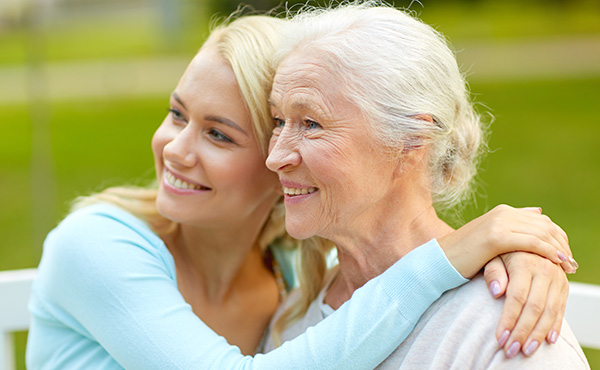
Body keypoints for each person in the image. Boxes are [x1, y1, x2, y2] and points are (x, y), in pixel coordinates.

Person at [27, 10, 576, 370]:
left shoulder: (289, 279)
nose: (174, 149)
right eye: (176, 113)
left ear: (413, 139)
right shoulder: (298, 310)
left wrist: (521, 255)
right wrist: (445, 259)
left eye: (309, 123)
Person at [264, 2, 589, 368]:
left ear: (411, 140)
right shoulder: (293, 316)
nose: (275, 157)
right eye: (279, 120)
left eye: (311, 123)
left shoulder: (511, 329)